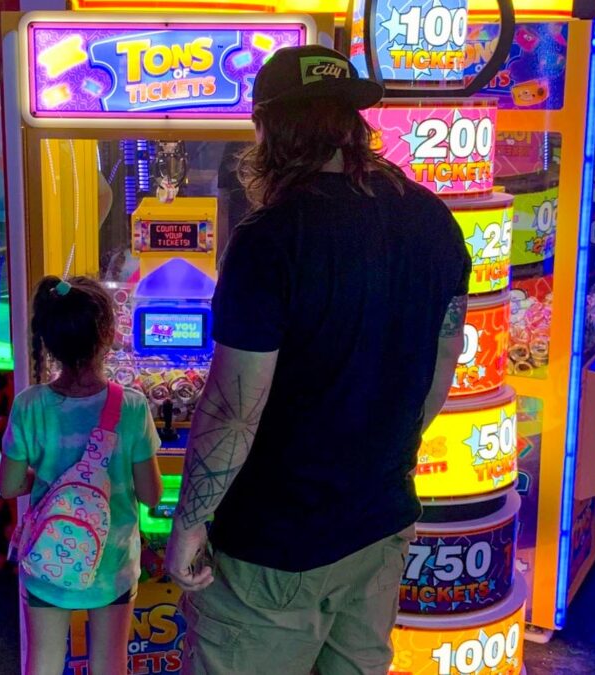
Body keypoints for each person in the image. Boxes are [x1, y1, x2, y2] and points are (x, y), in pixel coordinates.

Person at [165, 46, 472, 674]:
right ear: (354, 123)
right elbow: (443, 364)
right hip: (379, 529)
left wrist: (189, 525)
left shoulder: (270, 238)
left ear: (266, 130)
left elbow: (234, 411)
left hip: (272, 551)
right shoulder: (432, 219)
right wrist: (374, 460)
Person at [0, 276, 163, 675]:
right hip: (111, 566)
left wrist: (45, 480)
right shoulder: (132, 407)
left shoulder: (29, 405)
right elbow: (151, 494)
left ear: (48, 339)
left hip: (47, 560)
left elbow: (8, 485)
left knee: (42, 663)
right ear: (108, 335)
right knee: (109, 664)